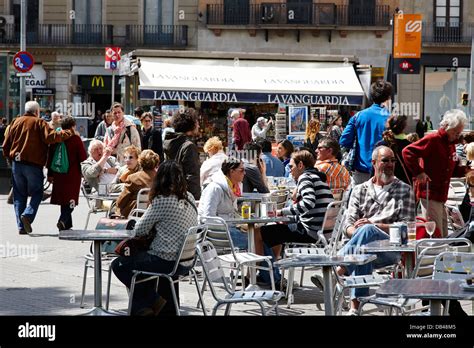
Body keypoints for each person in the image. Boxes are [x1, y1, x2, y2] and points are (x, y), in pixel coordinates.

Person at [311, 146, 415, 315]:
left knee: (367, 231)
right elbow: (347, 225)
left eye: (392, 161)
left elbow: (408, 227)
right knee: (362, 250)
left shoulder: (404, 189)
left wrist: (374, 227)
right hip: (362, 249)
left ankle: (337, 271)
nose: (390, 164)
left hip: (389, 249)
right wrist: (359, 233)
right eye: (385, 160)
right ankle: (354, 310)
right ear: (373, 163)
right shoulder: (359, 189)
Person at [111, 160, 198, 316]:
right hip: (186, 261)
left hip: (166, 261)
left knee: (119, 264)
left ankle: (152, 300)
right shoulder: (190, 197)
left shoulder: (162, 199)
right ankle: (149, 309)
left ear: (160, 178)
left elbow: (139, 230)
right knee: (147, 267)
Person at [2, 101, 73, 234]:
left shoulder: (15, 122)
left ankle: (21, 227)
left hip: (17, 165)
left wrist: (10, 160)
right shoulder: (39, 123)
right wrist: (68, 133)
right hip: (33, 165)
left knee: (19, 195)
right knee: (37, 192)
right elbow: (52, 137)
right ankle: (28, 215)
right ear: (37, 112)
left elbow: (6, 144)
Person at [403, 109, 469, 237]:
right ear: (446, 127)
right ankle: (436, 256)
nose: (457, 135)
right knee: (436, 234)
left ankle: (441, 255)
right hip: (430, 193)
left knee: (443, 233)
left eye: (459, 132)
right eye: (455, 132)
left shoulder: (450, 144)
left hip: (440, 195)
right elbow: (407, 152)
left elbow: (453, 169)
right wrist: (419, 173)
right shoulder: (433, 139)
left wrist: (467, 170)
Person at [260, 150, 333, 262]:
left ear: (300, 165)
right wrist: (287, 217)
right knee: (275, 232)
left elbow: (308, 203)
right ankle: (272, 273)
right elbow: (311, 212)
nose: (289, 170)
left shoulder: (305, 177)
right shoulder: (318, 178)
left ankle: (266, 274)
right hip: (323, 233)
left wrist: (282, 212)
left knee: (261, 232)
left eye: (291, 166)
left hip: (310, 232)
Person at [340, 80, 392, 185]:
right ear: (388, 97)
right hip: (384, 171)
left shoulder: (358, 116)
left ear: (371, 96)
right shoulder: (391, 118)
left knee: (359, 199)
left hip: (361, 171)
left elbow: (344, 141)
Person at [198, 158, 248, 250]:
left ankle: (267, 263)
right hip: (217, 234)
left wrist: (240, 223)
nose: (244, 173)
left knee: (261, 235)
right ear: (231, 171)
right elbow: (207, 217)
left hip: (229, 229)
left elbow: (231, 213)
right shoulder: (215, 188)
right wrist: (234, 224)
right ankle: (267, 263)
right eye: (242, 170)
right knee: (256, 239)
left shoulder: (233, 187)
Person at [47, 117, 87, 230]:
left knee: (64, 199)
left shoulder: (56, 138)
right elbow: (83, 157)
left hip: (59, 173)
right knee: (71, 199)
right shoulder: (76, 139)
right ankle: (63, 220)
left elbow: (50, 158)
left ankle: (67, 224)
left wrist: (50, 174)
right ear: (73, 126)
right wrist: (85, 173)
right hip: (72, 174)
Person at [163, 108, 201, 200]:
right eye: (197, 122)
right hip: (185, 198)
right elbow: (192, 176)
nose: (199, 126)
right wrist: (195, 200)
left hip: (170, 194)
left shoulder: (170, 142)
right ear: (190, 124)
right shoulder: (189, 146)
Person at [116, 149, 160, 218]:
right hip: (157, 213)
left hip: (137, 214)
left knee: (117, 209)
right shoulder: (162, 178)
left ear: (140, 161)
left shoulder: (133, 178)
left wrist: (117, 204)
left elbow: (121, 202)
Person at [375, 115, 412, 185]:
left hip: (383, 185)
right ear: (404, 127)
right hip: (404, 186)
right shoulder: (409, 146)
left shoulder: (381, 144)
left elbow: (375, 167)